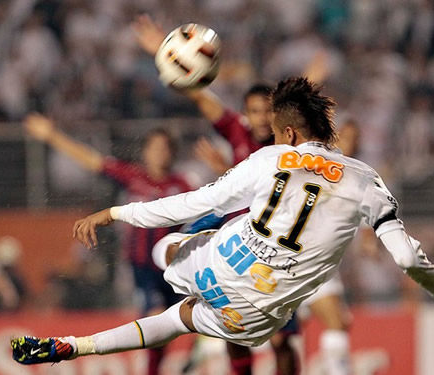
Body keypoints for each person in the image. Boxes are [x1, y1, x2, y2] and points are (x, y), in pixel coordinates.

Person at [11, 77, 434, 370]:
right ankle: (77, 346)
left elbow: (189, 201)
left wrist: (114, 213)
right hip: (257, 314)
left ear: (288, 133)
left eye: (273, 130)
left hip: (221, 261)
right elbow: (408, 256)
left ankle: (76, 344)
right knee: (177, 321)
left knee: (169, 249)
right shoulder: (368, 181)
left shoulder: (271, 157)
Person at [134, 14, 355, 375]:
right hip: (235, 245)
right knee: (233, 331)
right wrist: (168, 54)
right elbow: (202, 98)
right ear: (245, 113)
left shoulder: (291, 145)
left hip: (275, 248)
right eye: (253, 111)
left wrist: (312, 82)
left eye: (266, 111)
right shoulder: (237, 132)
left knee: (283, 339)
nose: (259, 119)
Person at [23, 113, 190, 375]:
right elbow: (92, 161)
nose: (160, 153)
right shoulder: (134, 177)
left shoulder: (183, 186)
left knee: (173, 328)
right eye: (155, 148)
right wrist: (51, 136)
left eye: (165, 148)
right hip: (141, 270)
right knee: (156, 318)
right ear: (145, 152)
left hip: (175, 270)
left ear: (173, 153)